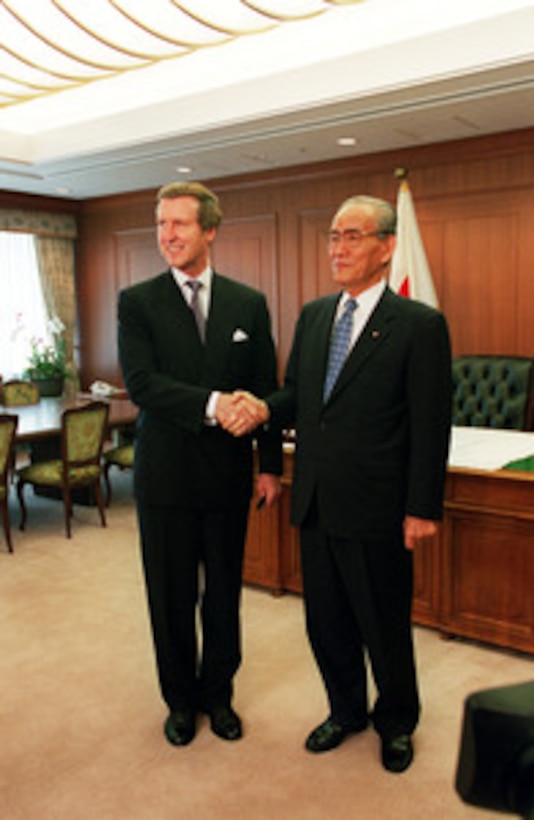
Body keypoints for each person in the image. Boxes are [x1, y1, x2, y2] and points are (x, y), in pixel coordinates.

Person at [229, 194, 452, 773]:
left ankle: (397, 722)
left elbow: (430, 424)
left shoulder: (419, 325)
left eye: (353, 236)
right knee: (325, 623)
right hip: (317, 501)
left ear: (386, 247)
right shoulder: (315, 315)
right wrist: (258, 410)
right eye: (333, 236)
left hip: (379, 505)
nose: (339, 247)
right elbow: (299, 399)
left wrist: (422, 506)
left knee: (383, 626)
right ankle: (346, 711)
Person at [118, 181, 282, 747]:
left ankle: (220, 695)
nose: (167, 235)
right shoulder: (137, 302)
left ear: (209, 230)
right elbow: (142, 385)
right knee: (170, 596)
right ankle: (180, 701)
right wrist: (214, 404)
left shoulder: (248, 303)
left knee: (223, 595)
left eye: (180, 224)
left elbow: (265, 389)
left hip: (227, 477)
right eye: (161, 224)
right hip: (164, 479)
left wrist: (269, 467)